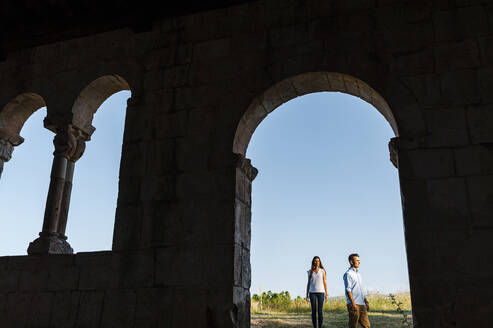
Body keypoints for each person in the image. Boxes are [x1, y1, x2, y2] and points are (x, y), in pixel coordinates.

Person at [343, 253, 370, 328]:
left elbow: (361, 290)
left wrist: (366, 301)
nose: (359, 262)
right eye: (357, 260)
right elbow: (348, 290)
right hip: (354, 304)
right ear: (351, 262)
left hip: (362, 304)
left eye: (359, 260)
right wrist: (353, 304)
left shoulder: (359, 274)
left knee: (366, 325)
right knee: (353, 325)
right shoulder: (348, 274)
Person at [306, 256, 328, 328]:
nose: (317, 262)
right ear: (313, 262)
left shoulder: (322, 271)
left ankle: (320, 326)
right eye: (315, 261)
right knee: (313, 311)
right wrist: (307, 295)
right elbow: (308, 283)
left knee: (320, 311)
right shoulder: (310, 271)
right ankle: (315, 326)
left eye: (318, 261)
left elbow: (324, 283)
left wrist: (326, 294)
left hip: (321, 293)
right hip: (312, 293)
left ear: (319, 262)